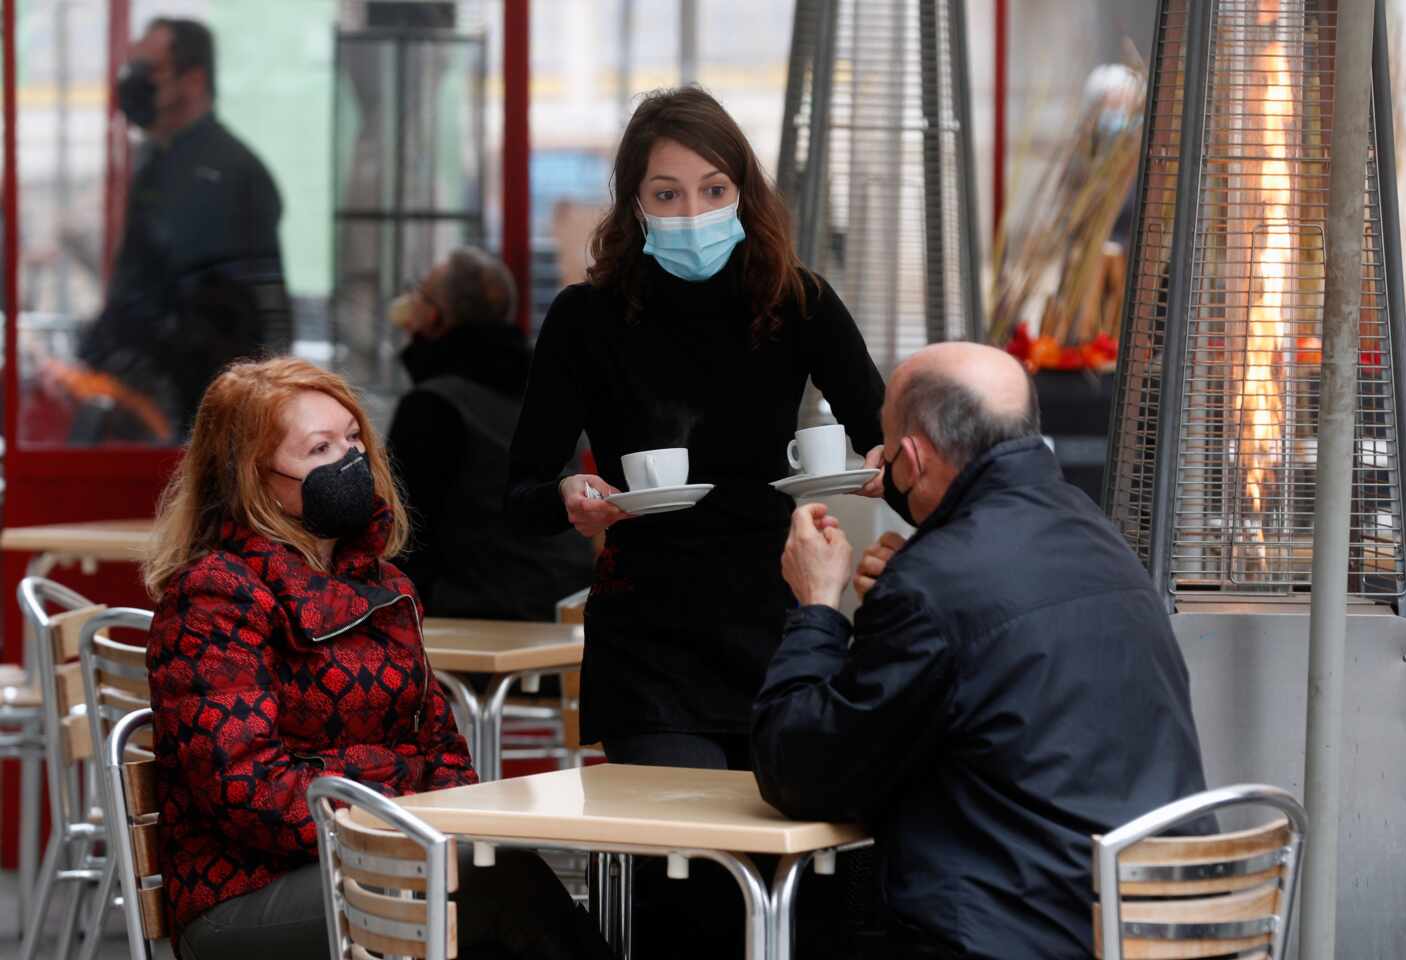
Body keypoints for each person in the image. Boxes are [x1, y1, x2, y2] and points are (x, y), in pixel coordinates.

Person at [505, 86, 887, 956]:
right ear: (633, 203)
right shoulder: (586, 317)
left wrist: (881, 476)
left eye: (714, 190)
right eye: (667, 193)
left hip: (778, 627)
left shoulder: (800, 302)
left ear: (744, 194)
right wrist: (569, 497)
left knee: (806, 884)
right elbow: (520, 494)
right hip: (650, 639)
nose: (694, 211)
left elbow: (887, 439)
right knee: (688, 892)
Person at [752, 342, 1212, 960]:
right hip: (1157, 923)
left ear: (910, 459)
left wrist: (815, 608)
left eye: (887, 453)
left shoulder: (936, 585)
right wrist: (915, 585)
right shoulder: (1097, 534)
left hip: (1021, 931)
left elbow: (801, 772)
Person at [143, 357, 611, 960]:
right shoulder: (215, 594)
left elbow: (444, 753)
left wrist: (402, 804)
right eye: (320, 448)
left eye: (354, 438)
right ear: (254, 478)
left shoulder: (386, 585)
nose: (350, 461)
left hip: (383, 858)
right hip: (243, 898)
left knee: (494, 875)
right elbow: (248, 792)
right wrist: (399, 801)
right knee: (490, 883)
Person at [80, 17, 288, 439]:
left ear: (192, 81)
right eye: (131, 67)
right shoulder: (153, 162)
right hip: (144, 401)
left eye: (147, 69)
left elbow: (248, 316)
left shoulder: (231, 173)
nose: (132, 81)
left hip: (197, 415)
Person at [388, 247, 593, 619]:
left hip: (478, 613)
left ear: (435, 317)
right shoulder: (549, 388)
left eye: (420, 293)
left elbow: (401, 534)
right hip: (567, 602)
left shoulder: (433, 407)